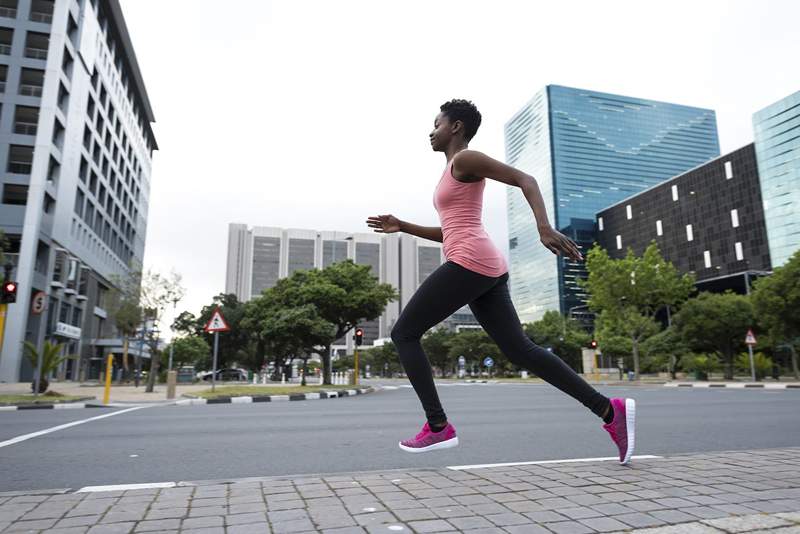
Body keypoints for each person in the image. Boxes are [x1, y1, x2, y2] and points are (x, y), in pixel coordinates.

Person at [366, 99, 635, 465]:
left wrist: (543, 226)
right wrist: (405, 226)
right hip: (482, 264)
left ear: (456, 127)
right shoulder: (451, 170)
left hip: (470, 262)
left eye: (437, 124)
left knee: (404, 333)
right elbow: (450, 231)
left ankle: (438, 426)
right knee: (521, 350)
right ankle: (609, 411)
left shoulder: (465, 159)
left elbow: (526, 179)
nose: (431, 132)